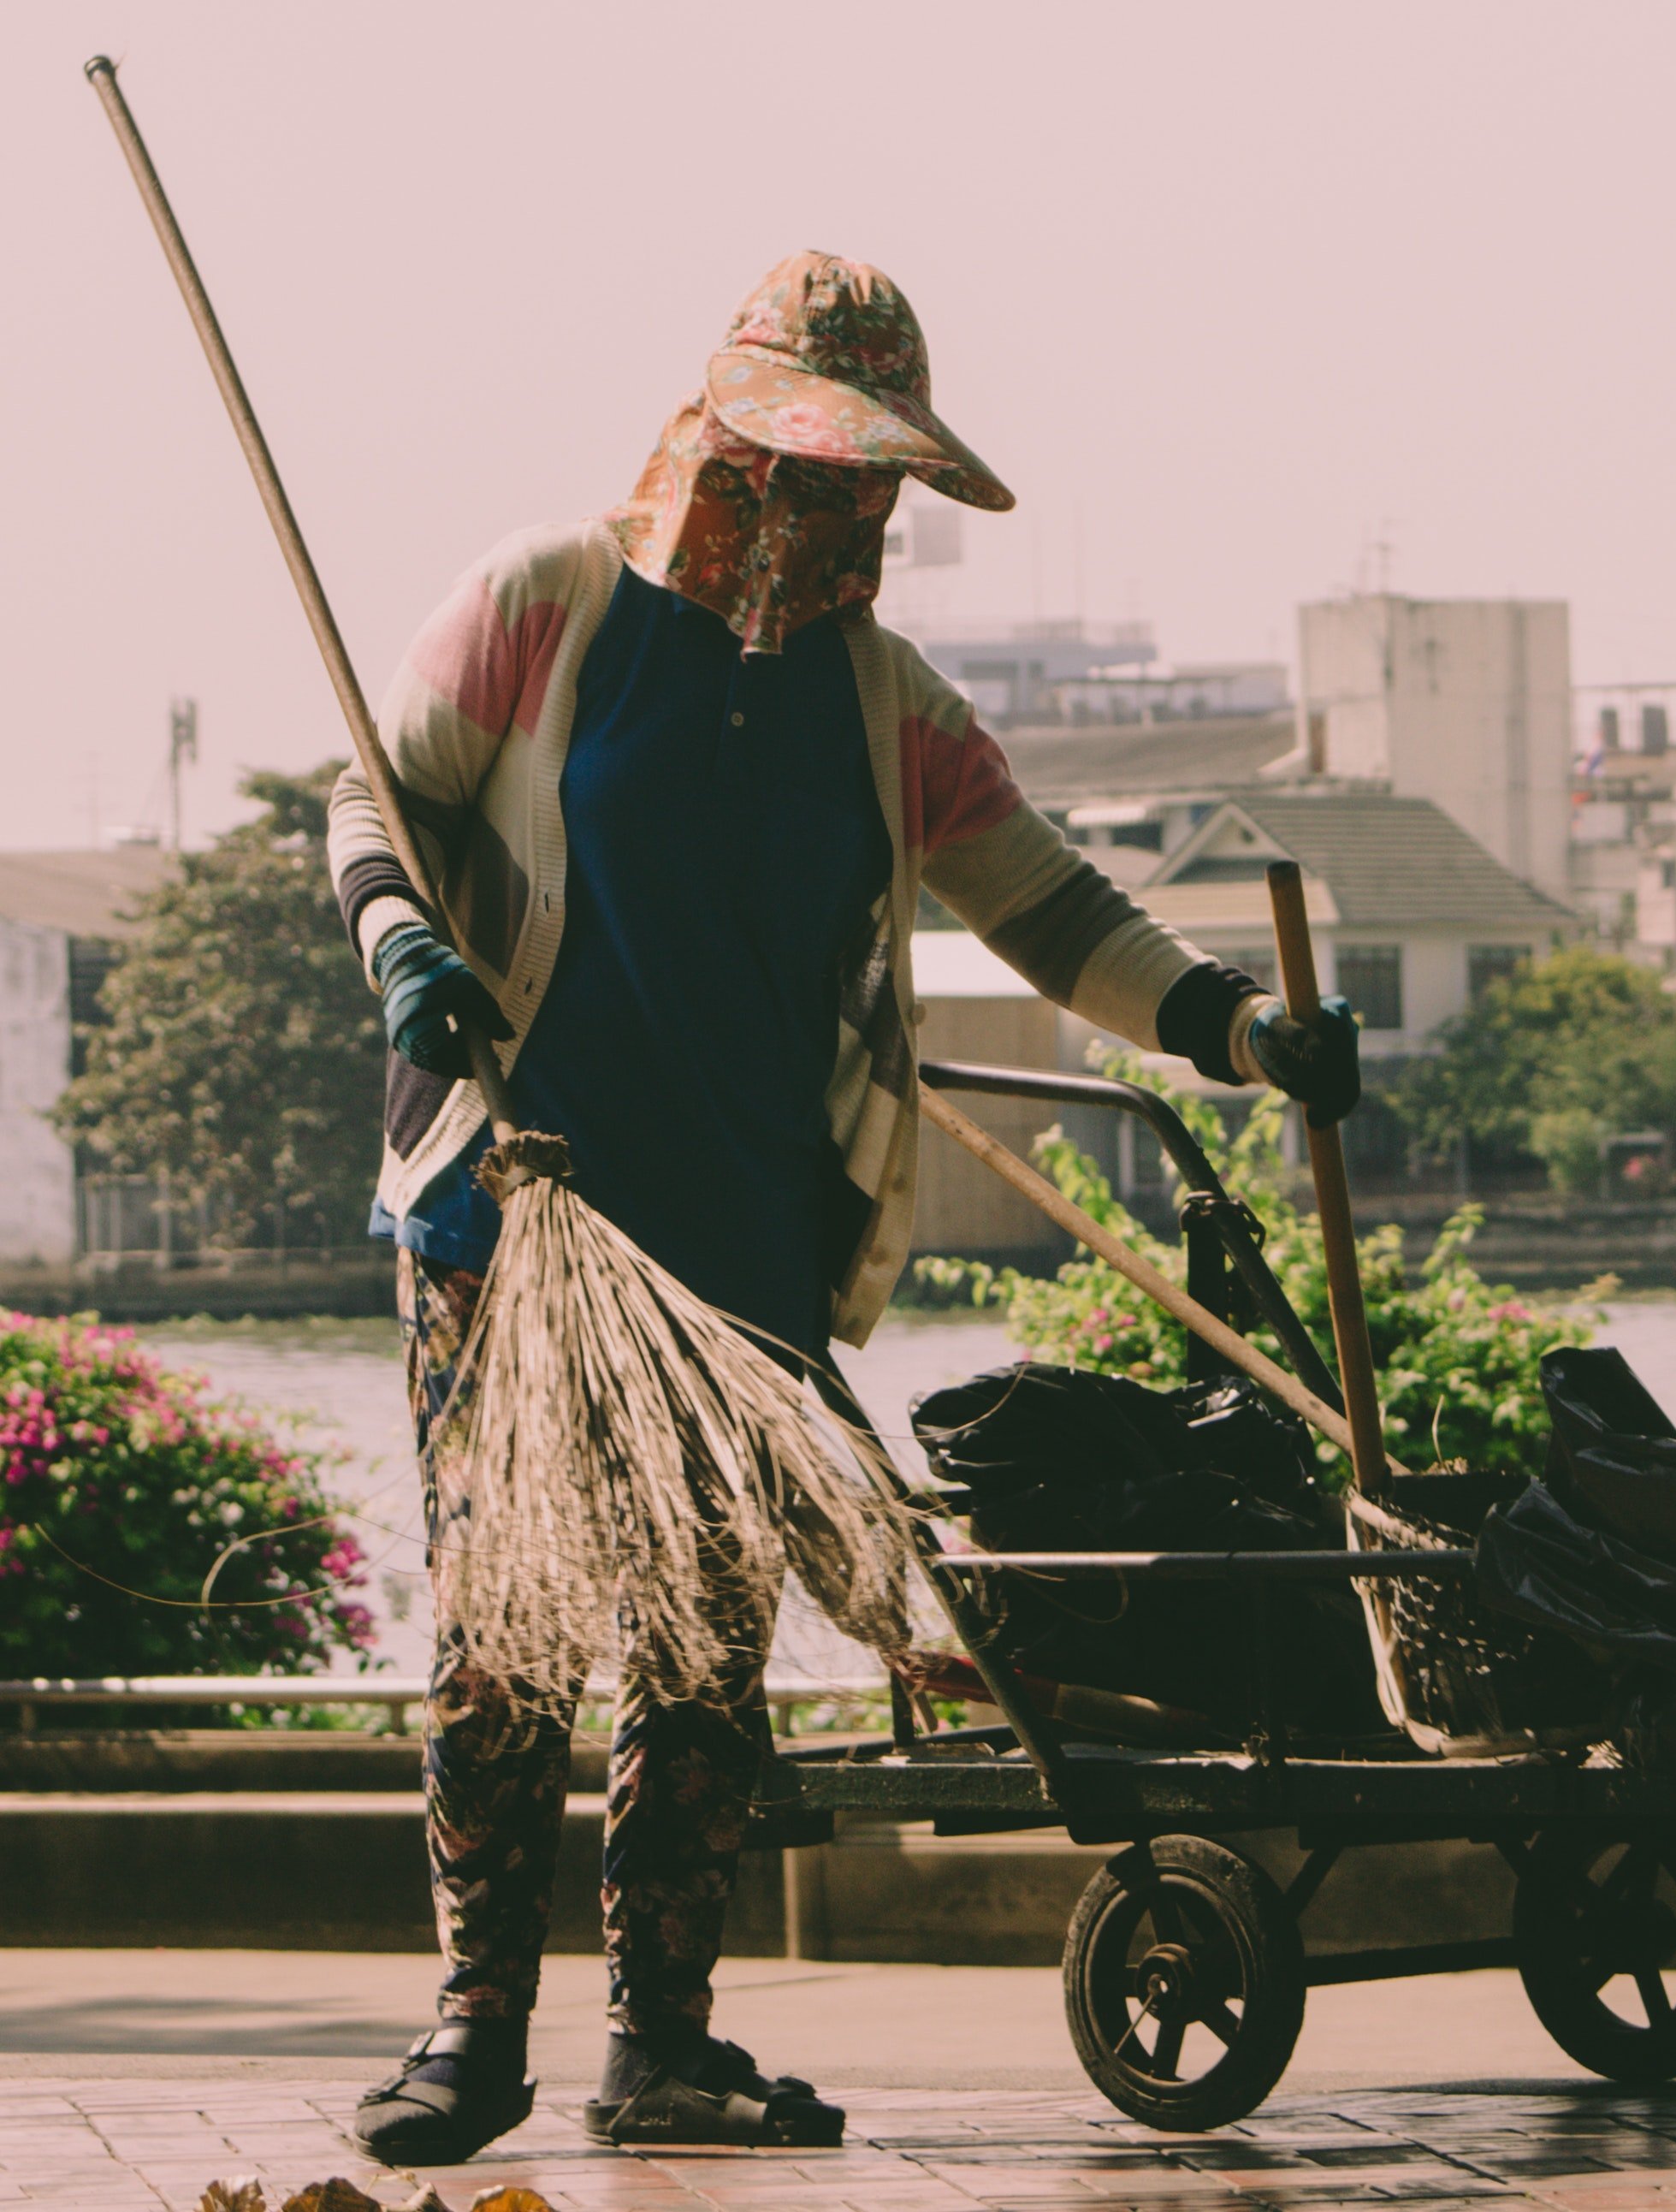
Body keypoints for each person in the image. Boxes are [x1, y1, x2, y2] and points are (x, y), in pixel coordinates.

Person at [334, 253, 1358, 2163]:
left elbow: (1049, 909)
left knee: (706, 1645)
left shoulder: (883, 704)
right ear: (718, 450)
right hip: (516, 1216)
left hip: (744, 1239)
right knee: (504, 1623)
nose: (843, 514)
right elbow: (375, 800)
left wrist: (1239, 1029)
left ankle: (664, 2041)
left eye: (871, 483)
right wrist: (405, 948)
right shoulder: (543, 606)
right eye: (811, 472)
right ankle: (474, 2027)